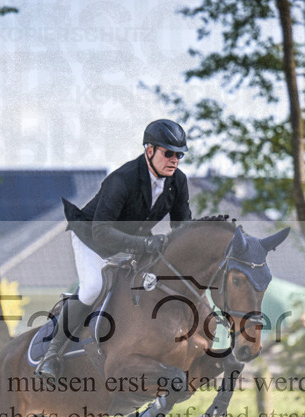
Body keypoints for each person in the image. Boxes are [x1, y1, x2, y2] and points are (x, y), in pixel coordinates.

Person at [36, 119, 193, 379]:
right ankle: (51, 353)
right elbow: (101, 231)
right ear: (150, 150)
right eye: (168, 153)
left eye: (179, 154)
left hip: (131, 243)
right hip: (93, 241)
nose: (175, 159)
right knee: (93, 288)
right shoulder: (122, 179)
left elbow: (181, 227)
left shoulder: (178, 182)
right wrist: (145, 244)